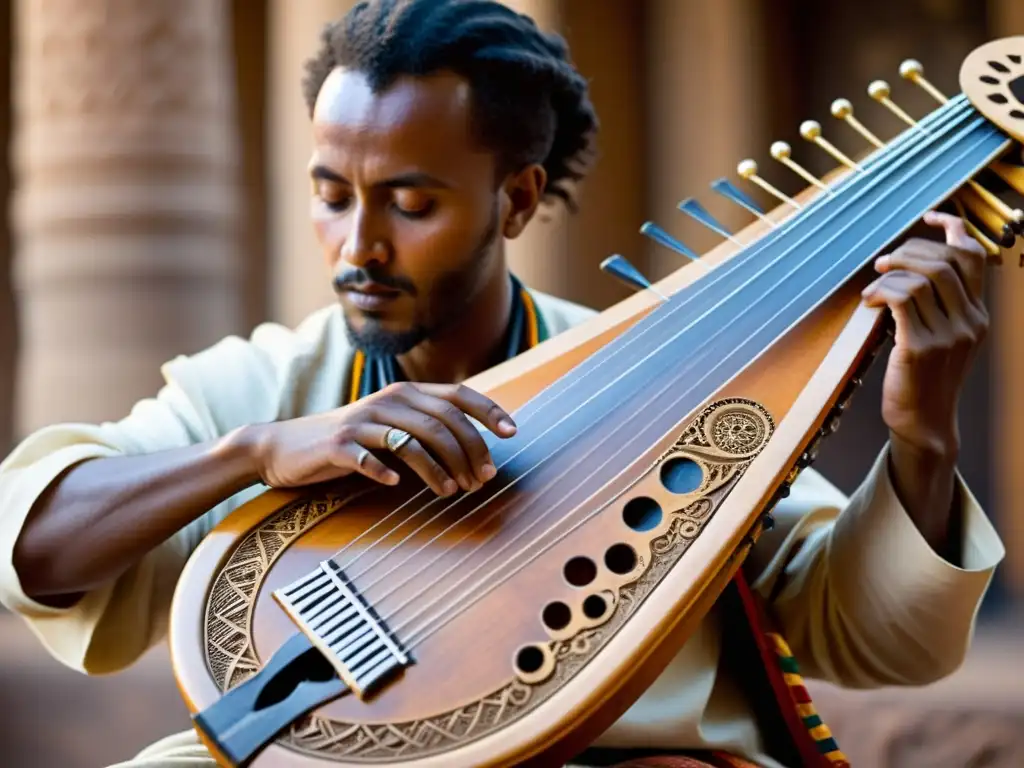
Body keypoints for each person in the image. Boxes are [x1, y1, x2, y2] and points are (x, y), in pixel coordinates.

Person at [0, 1, 1005, 766]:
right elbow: (34, 548)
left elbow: (872, 643)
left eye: (410, 202)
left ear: (515, 197)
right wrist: (252, 453)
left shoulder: (668, 378)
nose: (359, 245)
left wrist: (921, 436)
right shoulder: (275, 382)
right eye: (330, 195)